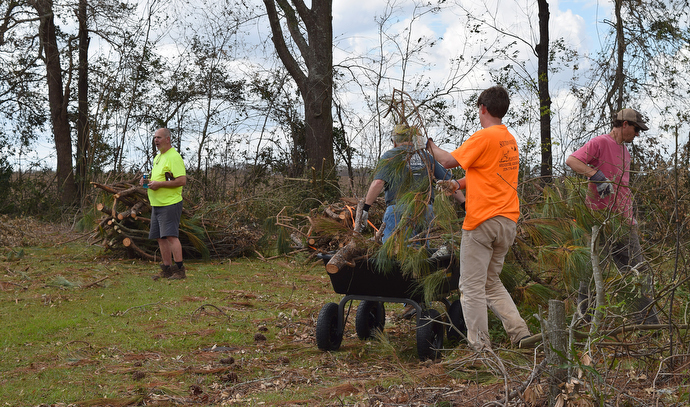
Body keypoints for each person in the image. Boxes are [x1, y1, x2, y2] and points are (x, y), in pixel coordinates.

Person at [427, 85, 531, 351]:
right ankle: (520, 334)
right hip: (507, 221)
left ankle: (480, 349)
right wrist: (458, 186)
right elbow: (488, 175)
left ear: (483, 108)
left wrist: (429, 146)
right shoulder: (508, 139)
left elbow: (448, 161)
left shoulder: (485, 136)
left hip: (482, 222)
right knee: (490, 282)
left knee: (471, 287)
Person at [565, 108, 658, 324]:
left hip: (624, 222)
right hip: (599, 220)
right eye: (636, 129)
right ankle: (583, 322)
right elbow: (572, 160)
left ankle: (648, 323)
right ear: (624, 124)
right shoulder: (600, 142)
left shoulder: (626, 152)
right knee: (590, 272)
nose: (637, 134)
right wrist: (596, 175)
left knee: (637, 270)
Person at [355, 123, 465, 243]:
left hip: (397, 210)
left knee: (394, 253)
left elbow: (378, 183)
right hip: (425, 209)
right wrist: (464, 205)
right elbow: (449, 183)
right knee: (420, 252)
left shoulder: (390, 156)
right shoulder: (425, 156)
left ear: (394, 141)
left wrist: (365, 208)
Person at [141, 128, 188, 280]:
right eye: (154, 137)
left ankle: (180, 270)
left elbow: (181, 180)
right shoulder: (158, 157)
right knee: (160, 238)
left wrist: (159, 184)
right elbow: (161, 178)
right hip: (157, 204)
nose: (156, 140)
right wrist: (146, 182)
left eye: (159, 137)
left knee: (171, 236)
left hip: (170, 203)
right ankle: (167, 269)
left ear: (167, 139)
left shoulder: (173, 157)